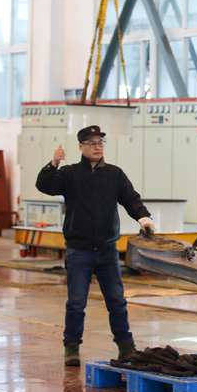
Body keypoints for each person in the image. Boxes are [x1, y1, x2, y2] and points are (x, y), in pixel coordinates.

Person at [36, 125, 156, 367]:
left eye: (100, 142)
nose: (97, 146)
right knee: (76, 303)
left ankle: (126, 346)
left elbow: (131, 199)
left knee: (116, 301)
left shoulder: (115, 174)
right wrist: (53, 164)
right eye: (91, 142)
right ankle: (72, 348)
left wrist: (143, 217)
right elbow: (44, 186)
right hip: (79, 251)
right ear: (81, 147)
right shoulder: (68, 174)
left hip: (107, 250)